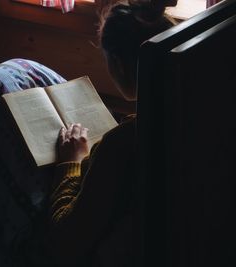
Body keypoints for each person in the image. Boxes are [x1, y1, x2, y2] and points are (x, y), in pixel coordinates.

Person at [45, 0, 177, 266]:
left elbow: (65, 243)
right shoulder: (195, 113)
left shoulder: (123, 143)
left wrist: (73, 162)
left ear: (118, 64)